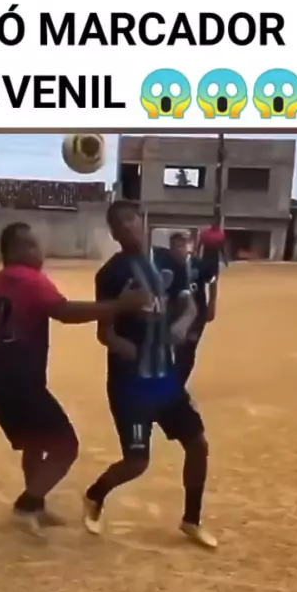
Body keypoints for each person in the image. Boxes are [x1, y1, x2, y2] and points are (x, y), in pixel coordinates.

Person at [0, 221, 150, 541]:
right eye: (33, 244)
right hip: (23, 385)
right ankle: (26, 505)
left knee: (34, 442)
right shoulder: (32, 280)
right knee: (66, 446)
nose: (39, 251)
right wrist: (120, 305)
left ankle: (37, 504)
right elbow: (64, 311)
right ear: (16, 250)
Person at [82, 200, 217, 549]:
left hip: (165, 378)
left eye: (131, 218)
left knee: (198, 445)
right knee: (137, 462)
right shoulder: (111, 275)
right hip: (130, 383)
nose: (127, 226)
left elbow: (188, 305)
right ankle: (95, 495)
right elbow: (104, 332)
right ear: (113, 233)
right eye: (119, 223)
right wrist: (122, 345)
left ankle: (191, 520)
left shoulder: (168, 261)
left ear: (142, 220)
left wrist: (182, 325)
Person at [169, 230, 217, 385]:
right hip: (174, 315)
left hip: (197, 315)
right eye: (175, 247)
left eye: (182, 245)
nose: (179, 250)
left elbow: (212, 280)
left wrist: (212, 303)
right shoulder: (167, 266)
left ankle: (179, 383)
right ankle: (174, 382)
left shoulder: (199, 264)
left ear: (189, 246)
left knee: (188, 350)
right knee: (176, 349)